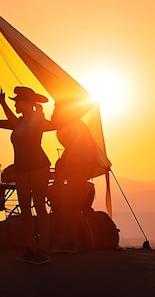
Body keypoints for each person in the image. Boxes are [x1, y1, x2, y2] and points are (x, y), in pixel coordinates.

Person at [0, 87, 56, 265]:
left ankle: (43, 249)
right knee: (25, 207)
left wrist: (1, 104)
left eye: (18, 101)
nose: (15, 103)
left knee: (40, 206)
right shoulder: (20, 122)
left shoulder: (36, 119)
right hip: (21, 169)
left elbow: (7, 120)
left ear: (27, 103)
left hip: (38, 167)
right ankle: (31, 247)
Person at [48, 99, 99, 254]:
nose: (54, 110)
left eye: (56, 107)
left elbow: (77, 146)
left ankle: (70, 242)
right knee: (72, 206)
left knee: (72, 206)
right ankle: (79, 242)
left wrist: (64, 163)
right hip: (78, 165)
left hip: (80, 165)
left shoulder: (71, 122)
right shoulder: (68, 123)